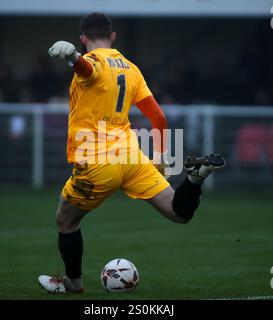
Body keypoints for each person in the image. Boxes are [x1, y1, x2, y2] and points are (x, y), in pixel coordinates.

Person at [38, 13, 225, 294]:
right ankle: (195, 179)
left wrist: (73, 56)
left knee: (65, 220)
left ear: (83, 38)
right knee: (178, 211)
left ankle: (73, 283)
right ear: (113, 37)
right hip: (131, 156)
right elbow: (159, 117)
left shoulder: (91, 62)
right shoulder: (131, 68)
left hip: (97, 160)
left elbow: (87, 71)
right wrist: (161, 155)